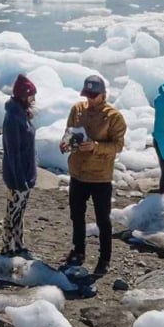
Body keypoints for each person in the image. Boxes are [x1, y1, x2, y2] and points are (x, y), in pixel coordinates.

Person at [60, 74, 126, 276]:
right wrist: (65, 142)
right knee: (76, 215)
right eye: (87, 95)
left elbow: (118, 145)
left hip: (100, 176)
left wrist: (96, 147)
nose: (90, 99)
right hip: (78, 172)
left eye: (94, 96)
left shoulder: (114, 116)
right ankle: (78, 251)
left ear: (103, 95)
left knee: (102, 219)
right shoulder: (77, 109)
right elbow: (69, 132)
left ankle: (104, 258)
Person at [0, 74, 38, 258]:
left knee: (19, 213)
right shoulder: (13, 118)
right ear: (24, 95)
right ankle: (7, 248)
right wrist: (20, 179)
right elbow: (12, 152)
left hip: (25, 175)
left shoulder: (22, 114)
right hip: (17, 177)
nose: (34, 99)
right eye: (31, 95)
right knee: (12, 213)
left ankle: (19, 244)